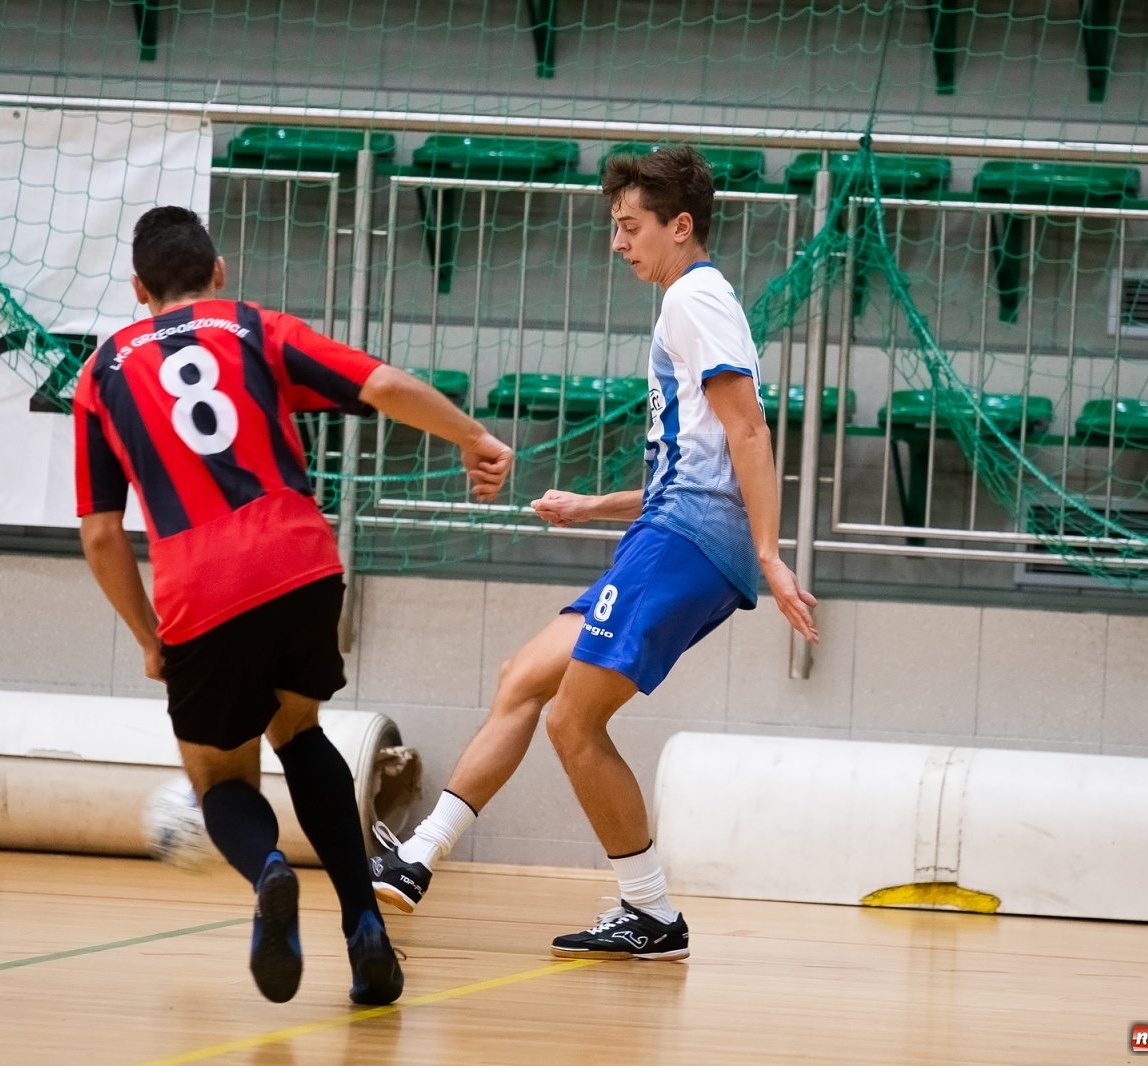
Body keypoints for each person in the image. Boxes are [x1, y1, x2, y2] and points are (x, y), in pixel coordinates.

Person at [371, 146, 819, 960]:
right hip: (668, 532)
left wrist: (771, 554)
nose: (619, 243)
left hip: (684, 545)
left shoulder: (696, 299)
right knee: (526, 678)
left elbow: (750, 432)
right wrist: (593, 505)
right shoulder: (690, 301)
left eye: (631, 226)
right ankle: (415, 859)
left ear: (681, 227)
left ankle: (649, 912)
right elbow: (699, 460)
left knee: (575, 722)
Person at [74, 207, 512, 1005]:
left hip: (197, 586)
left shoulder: (101, 374)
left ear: (139, 289)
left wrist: (146, 636)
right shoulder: (251, 327)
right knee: (299, 730)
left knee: (218, 779)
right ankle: (364, 929)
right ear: (218, 270)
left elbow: (103, 535)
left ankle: (269, 870)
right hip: (298, 560)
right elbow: (380, 384)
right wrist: (470, 436)